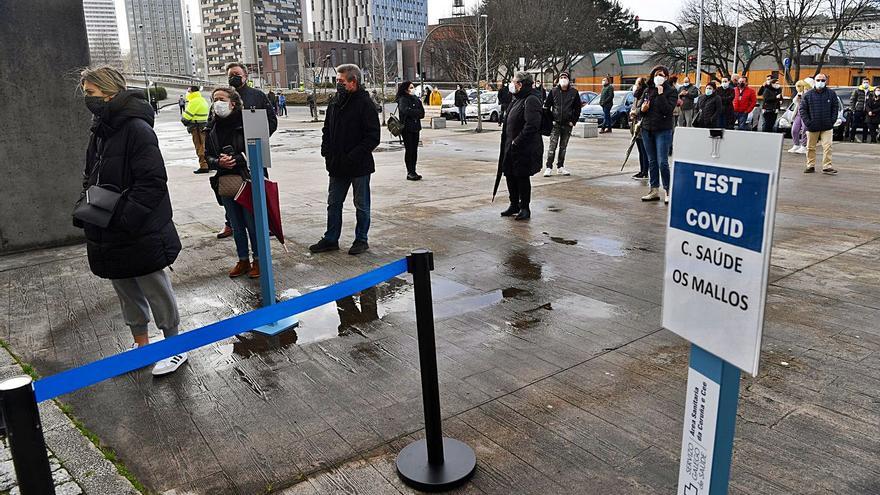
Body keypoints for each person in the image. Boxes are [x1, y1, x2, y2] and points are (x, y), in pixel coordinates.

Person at [76, 67, 186, 376]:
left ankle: (174, 348)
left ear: (111, 94)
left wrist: (125, 217)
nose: (88, 99)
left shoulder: (137, 128)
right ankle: (142, 345)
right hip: (106, 224)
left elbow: (152, 182)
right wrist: (87, 208)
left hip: (137, 227)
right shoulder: (99, 129)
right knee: (124, 287)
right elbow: (90, 174)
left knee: (155, 288)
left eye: (92, 94)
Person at [309, 64, 380, 255]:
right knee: (333, 203)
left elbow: (373, 137)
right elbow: (327, 130)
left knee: (361, 205)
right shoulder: (335, 103)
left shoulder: (366, 104)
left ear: (353, 82)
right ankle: (331, 238)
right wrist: (326, 152)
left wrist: (353, 156)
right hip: (337, 165)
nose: (337, 84)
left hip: (359, 166)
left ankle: (361, 239)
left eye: (341, 81)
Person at [214, 62, 278, 239]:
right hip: (230, 156)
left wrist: (259, 140)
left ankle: (265, 223)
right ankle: (231, 223)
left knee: (259, 190)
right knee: (230, 189)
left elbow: (271, 121)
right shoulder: (223, 97)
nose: (233, 77)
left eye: (236, 74)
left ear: (246, 76)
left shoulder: (257, 96)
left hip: (254, 153)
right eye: (230, 75)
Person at [204, 87, 263, 279]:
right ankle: (243, 260)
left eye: (221, 99)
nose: (217, 103)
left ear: (233, 103)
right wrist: (218, 161)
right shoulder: (212, 127)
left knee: (252, 224)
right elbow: (208, 155)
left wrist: (236, 159)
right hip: (225, 181)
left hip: (246, 179)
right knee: (236, 225)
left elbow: (258, 152)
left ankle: (259, 260)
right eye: (214, 99)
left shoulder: (249, 122)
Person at [499, 71, 543, 221]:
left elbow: (532, 125)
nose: (511, 84)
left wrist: (517, 141)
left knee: (521, 177)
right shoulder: (516, 98)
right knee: (510, 175)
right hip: (510, 146)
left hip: (524, 147)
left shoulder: (531, 100)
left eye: (514, 82)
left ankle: (525, 207)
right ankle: (514, 204)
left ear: (520, 84)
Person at [639, 65, 677, 204]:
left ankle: (668, 190)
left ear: (666, 77)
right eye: (656, 74)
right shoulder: (648, 90)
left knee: (662, 162)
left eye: (661, 74)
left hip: (663, 129)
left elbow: (668, 110)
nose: (658, 77)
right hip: (647, 129)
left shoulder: (671, 91)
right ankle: (654, 189)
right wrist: (642, 109)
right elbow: (640, 110)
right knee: (652, 161)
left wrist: (661, 95)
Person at [799, 73, 839, 175]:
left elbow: (835, 108)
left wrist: (832, 121)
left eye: (822, 80)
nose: (820, 82)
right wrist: (808, 122)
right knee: (810, 147)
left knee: (828, 146)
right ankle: (810, 165)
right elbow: (802, 110)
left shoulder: (831, 94)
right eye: (818, 80)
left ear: (826, 81)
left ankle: (827, 166)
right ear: (814, 81)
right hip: (812, 126)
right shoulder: (807, 95)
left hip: (827, 126)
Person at [543, 71, 581, 176]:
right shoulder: (554, 91)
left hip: (567, 124)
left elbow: (577, 108)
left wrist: (573, 121)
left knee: (563, 147)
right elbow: (546, 107)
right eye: (562, 77)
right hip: (555, 124)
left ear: (569, 79)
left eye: (565, 77)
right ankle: (548, 167)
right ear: (559, 79)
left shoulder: (574, 92)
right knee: (552, 146)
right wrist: (551, 119)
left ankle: (560, 166)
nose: (563, 79)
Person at [396, 81, 425, 181]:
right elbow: (405, 110)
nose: (413, 89)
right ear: (406, 89)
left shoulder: (416, 99)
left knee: (414, 150)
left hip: (416, 127)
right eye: (411, 87)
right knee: (409, 150)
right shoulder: (403, 99)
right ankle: (410, 171)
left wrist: (414, 112)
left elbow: (422, 113)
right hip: (407, 128)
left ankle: (414, 170)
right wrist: (415, 112)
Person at [181, 86, 210, 174]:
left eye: (188, 91)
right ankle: (208, 164)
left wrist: (184, 120)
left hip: (196, 127)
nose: (187, 93)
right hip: (203, 125)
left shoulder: (194, 101)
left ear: (193, 92)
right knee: (205, 145)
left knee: (200, 146)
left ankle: (203, 165)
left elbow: (186, 117)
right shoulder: (201, 99)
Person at [630, 77, 649, 180]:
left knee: (644, 150)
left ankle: (645, 171)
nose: (635, 85)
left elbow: (643, 108)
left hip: (642, 124)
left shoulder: (645, 94)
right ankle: (642, 170)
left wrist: (635, 112)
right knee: (640, 150)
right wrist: (632, 113)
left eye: (637, 83)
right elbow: (634, 107)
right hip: (635, 124)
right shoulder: (636, 96)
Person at [788, 79, 811, 154]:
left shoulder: (810, 92)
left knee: (805, 129)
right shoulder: (799, 92)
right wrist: (798, 96)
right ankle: (796, 144)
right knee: (794, 129)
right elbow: (794, 101)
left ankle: (804, 146)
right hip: (798, 113)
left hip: (806, 113)